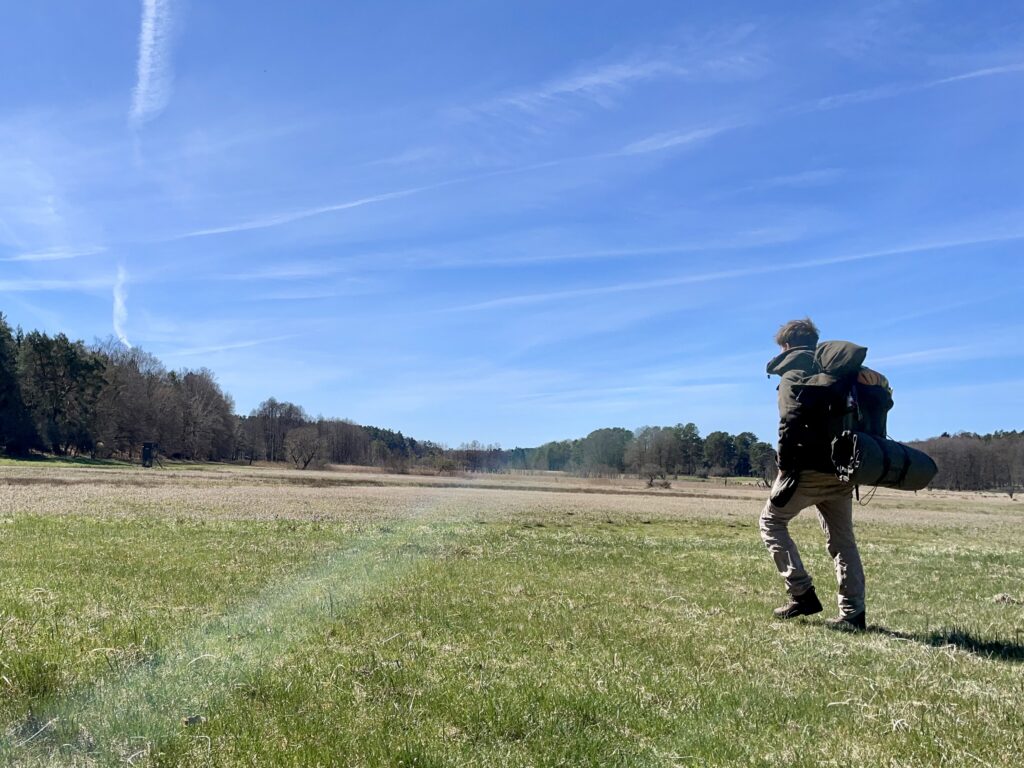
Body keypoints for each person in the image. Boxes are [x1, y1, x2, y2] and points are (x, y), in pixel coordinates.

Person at [760, 317, 866, 630]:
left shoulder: (794, 372)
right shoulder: (840, 373)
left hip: (806, 469)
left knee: (771, 523)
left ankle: (801, 592)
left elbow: (790, 419)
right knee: (843, 542)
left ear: (786, 345)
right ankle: (853, 614)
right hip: (843, 469)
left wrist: (785, 464)